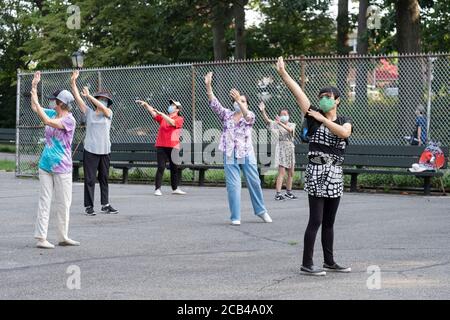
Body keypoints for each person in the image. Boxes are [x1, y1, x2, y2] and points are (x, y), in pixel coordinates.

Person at [276, 57, 352, 276]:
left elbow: (344, 133)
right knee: (316, 220)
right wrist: (283, 74)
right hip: (317, 171)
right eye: (321, 97)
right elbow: (298, 92)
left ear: (337, 100)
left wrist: (324, 119)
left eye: (328, 97)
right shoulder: (312, 118)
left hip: (336, 172)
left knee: (329, 222)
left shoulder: (344, 120)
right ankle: (307, 263)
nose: (324, 100)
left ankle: (329, 261)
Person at [204, 72, 272, 226]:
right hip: (230, 155)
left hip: (246, 154)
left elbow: (247, 115)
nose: (238, 102)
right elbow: (214, 103)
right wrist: (208, 85)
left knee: (254, 182)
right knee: (233, 186)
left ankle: (261, 211)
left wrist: (239, 100)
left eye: (242, 101)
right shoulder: (226, 115)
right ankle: (235, 216)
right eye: (236, 100)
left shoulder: (250, 116)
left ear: (246, 104)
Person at [30, 71, 80, 249]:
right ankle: (41, 238)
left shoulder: (69, 121)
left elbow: (46, 121)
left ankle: (63, 236)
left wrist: (37, 100)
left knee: (64, 203)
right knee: (44, 201)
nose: (52, 102)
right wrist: (34, 86)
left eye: (54, 100)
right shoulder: (52, 113)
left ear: (61, 103)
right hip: (46, 165)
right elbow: (36, 109)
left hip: (62, 167)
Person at [70, 70, 118, 216]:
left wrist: (90, 96)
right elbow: (78, 98)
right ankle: (89, 206)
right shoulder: (89, 112)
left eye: (104, 99)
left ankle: (105, 204)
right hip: (90, 150)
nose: (102, 101)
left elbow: (103, 108)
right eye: (100, 98)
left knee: (104, 178)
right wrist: (73, 82)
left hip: (105, 150)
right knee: (90, 179)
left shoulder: (108, 113)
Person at [136, 99, 186, 196]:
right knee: (161, 167)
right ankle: (157, 189)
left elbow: (172, 122)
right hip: (161, 146)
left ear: (177, 109)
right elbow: (153, 112)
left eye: (173, 105)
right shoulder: (163, 118)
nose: (170, 106)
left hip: (173, 147)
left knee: (174, 168)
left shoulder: (179, 119)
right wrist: (146, 105)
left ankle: (175, 188)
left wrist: (162, 114)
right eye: (170, 104)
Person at [259, 101, 297, 201]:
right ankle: (278, 194)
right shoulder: (276, 124)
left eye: (285, 114)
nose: (283, 116)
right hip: (281, 149)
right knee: (282, 172)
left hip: (290, 149)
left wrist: (279, 122)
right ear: (279, 116)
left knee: (291, 172)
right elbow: (267, 121)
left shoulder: (292, 124)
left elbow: (290, 130)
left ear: (289, 115)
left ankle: (288, 192)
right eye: (281, 115)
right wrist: (263, 111)